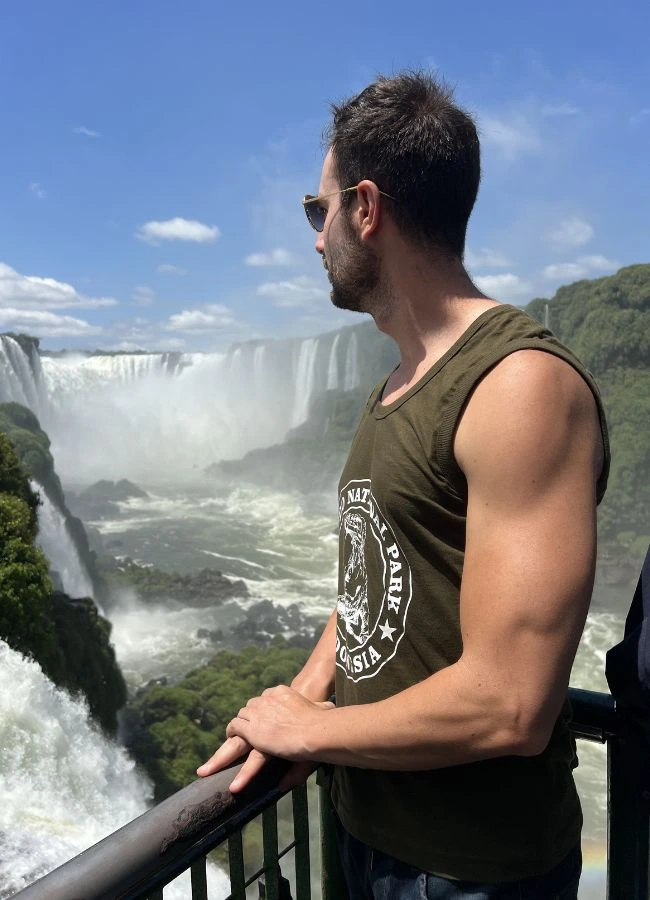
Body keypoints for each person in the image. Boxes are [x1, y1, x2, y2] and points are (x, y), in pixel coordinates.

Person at [198, 71, 610, 899]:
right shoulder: (399, 382)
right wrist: (307, 689)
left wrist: (317, 728)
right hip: (367, 835)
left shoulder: (518, 387)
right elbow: (373, 576)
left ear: (367, 208)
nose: (315, 240)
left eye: (319, 213)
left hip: (471, 871)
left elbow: (510, 703)